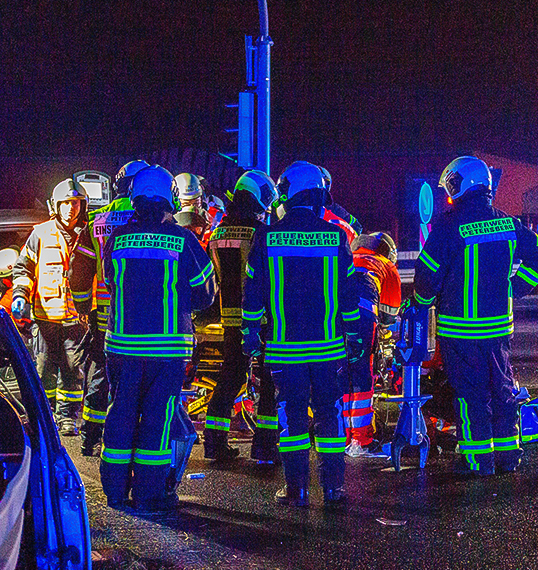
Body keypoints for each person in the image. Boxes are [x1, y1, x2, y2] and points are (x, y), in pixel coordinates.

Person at [412, 156, 538, 476]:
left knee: (470, 395)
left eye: (451, 185)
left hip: (460, 331)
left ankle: (477, 461)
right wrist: (515, 287)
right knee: (502, 390)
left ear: (460, 185)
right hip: (499, 329)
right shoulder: (508, 223)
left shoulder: (448, 226)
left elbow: (428, 275)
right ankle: (508, 455)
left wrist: (421, 302)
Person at [242, 161, 361, 507]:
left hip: (285, 349)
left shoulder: (267, 236)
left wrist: (251, 333)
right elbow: (348, 295)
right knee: (329, 415)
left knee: (291, 418)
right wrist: (354, 336)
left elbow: (253, 292)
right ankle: (333, 488)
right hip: (328, 349)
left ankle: (296, 490)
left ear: (287, 194)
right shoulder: (336, 236)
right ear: (318, 196)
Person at [99, 165, 215, 512]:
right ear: (170, 199)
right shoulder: (183, 240)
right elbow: (205, 293)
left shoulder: (118, 238)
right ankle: (149, 494)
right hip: (166, 350)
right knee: (157, 420)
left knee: (120, 414)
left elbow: (110, 281)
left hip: (122, 346)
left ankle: (115, 490)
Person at [72, 160, 150, 454]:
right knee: (138, 376)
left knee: (100, 372)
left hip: (105, 316)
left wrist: (82, 306)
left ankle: (90, 436)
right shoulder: (151, 219)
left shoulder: (97, 221)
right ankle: (131, 437)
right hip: (142, 317)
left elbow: (79, 271)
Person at [203, 170, 280, 462]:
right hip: (261, 319)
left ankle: (214, 443)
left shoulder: (217, 233)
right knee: (269, 380)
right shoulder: (262, 234)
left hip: (230, 318)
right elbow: (265, 279)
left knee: (230, 377)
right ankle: (265, 447)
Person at [13, 178, 88, 435]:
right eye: (65, 203)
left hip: (76, 318)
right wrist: (20, 295)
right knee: (44, 369)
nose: (71, 208)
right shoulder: (41, 234)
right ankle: (45, 417)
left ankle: (67, 417)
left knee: (73, 370)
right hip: (45, 316)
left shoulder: (87, 235)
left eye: (76, 203)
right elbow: (23, 268)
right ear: (55, 205)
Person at [342, 232, 401, 457]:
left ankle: (340, 435)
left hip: (330, 315)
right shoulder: (385, 265)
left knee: (339, 372)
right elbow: (389, 315)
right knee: (361, 374)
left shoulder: (347, 257)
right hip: (362, 315)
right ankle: (361, 439)